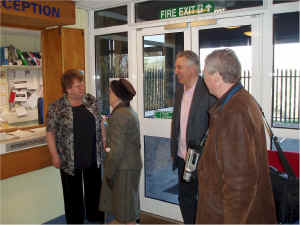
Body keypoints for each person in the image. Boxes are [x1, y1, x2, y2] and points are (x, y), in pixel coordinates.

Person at [196, 49, 276, 223]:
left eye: (205, 71)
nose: (203, 77)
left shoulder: (234, 112)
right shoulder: (241, 101)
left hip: (224, 216)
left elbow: (240, 183)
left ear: (216, 76)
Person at [46, 69, 104, 224]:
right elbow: (50, 133)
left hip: (92, 155)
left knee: (95, 190)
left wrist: (104, 143)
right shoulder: (57, 107)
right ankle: (75, 220)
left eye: (82, 83)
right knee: (72, 194)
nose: (82, 87)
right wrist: (54, 156)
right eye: (78, 85)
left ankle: (95, 217)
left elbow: (100, 122)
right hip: (69, 158)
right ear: (68, 89)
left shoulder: (91, 100)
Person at [170, 50, 216, 224]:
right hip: (184, 158)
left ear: (193, 69)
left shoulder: (208, 91)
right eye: (176, 67)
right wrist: (174, 151)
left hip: (203, 160)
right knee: (185, 198)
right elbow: (176, 124)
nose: (176, 71)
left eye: (179, 67)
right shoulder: (180, 91)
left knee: (205, 202)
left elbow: (216, 125)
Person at [99, 78, 142, 224]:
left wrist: (109, 173)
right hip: (128, 167)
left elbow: (116, 151)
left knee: (125, 215)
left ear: (117, 95)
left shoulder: (120, 115)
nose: (108, 95)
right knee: (126, 210)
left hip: (124, 169)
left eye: (110, 92)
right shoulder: (126, 112)